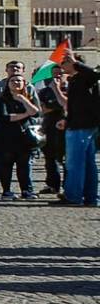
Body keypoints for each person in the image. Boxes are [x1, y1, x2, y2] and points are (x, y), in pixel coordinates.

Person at [0, 64, 41, 199]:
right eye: (13, 81)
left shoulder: (28, 97)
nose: (16, 83)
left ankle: (27, 191)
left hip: (25, 137)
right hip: (6, 136)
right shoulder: (2, 99)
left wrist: (23, 100)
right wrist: (26, 114)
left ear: (24, 83)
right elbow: (6, 117)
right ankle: (6, 191)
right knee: (6, 165)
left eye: (19, 81)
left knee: (25, 166)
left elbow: (35, 112)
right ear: (8, 83)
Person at [59, 57, 98, 208]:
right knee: (87, 164)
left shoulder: (86, 78)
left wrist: (76, 63)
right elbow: (75, 105)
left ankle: (73, 196)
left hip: (82, 126)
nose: (62, 66)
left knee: (74, 163)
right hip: (79, 123)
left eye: (64, 62)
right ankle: (90, 197)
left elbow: (95, 75)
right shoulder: (75, 80)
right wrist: (67, 120)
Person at [39, 63, 70, 198]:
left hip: (66, 129)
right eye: (55, 73)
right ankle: (52, 185)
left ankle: (68, 186)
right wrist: (58, 105)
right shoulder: (45, 91)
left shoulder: (71, 89)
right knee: (50, 158)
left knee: (66, 159)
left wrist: (58, 102)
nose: (57, 76)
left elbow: (67, 106)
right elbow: (43, 109)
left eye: (60, 73)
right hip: (49, 127)